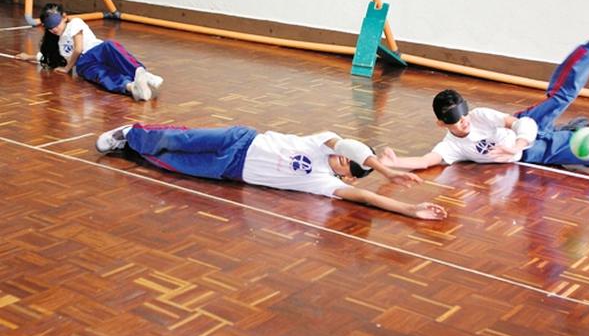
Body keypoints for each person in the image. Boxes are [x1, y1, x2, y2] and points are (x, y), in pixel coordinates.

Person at [95, 123, 448, 220]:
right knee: (181, 139)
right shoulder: (323, 140)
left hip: (230, 170)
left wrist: (410, 210)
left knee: (173, 163)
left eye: (349, 168)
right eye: (347, 156)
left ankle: (130, 148)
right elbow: (350, 147)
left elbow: (365, 198)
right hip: (242, 138)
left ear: (349, 176)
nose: (342, 160)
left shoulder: (323, 183)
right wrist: (386, 171)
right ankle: (131, 133)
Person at [379, 33, 589, 176]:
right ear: (441, 124)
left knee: (560, 97)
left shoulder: (479, 116)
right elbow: (426, 161)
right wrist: (394, 162)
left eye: (463, 113)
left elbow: (521, 123)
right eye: (453, 119)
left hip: (526, 127)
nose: (463, 121)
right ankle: (571, 132)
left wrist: (516, 145)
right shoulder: (452, 147)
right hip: (533, 152)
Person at [15, 3, 163, 101]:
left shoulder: (75, 23)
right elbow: (47, 58)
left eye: (56, 24)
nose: (54, 29)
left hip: (96, 50)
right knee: (102, 75)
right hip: (84, 65)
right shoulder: (58, 44)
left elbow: (79, 48)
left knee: (111, 47)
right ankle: (132, 88)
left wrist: (67, 69)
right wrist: (28, 56)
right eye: (50, 27)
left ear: (64, 17)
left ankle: (142, 74)